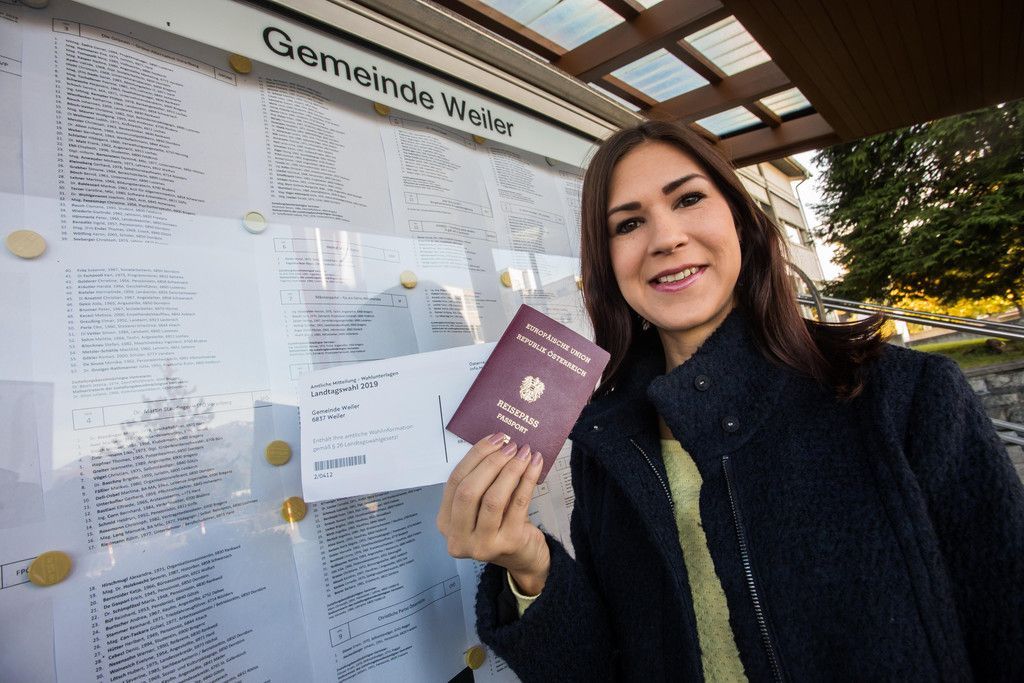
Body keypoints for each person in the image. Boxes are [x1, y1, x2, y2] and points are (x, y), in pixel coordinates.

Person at [436, 120, 1024, 681]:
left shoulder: (905, 399)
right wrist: (529, 565)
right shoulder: (606, 443)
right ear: (607, 264)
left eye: (689, 199)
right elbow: (605, 667)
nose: (666, 238)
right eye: (628, 223)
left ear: (740, 221)